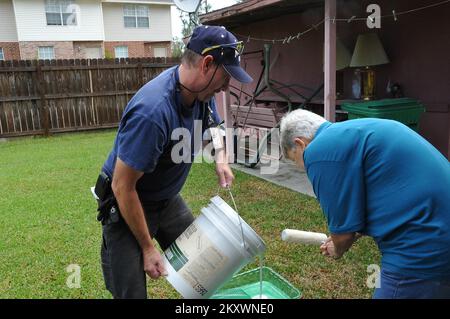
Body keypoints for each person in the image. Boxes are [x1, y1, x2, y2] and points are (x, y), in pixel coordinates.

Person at [95, 25, 253, 299]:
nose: (227, 87)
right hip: (126, 204)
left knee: (204, 269)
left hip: (166, 199)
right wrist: (147, 248)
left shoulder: (201, 92)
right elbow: (123, 186)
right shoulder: (153, 112)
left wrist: (221, 158)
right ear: (206, 64)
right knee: (130, 293)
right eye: (226, 78)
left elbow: (213, 125)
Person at [279, 109, 450, 299]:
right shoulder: (357, 133)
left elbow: (343, 235)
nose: (306, 169)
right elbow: (372, 198)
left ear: (300, 144)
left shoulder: (319, 149)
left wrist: (337, 247)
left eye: (298, 162)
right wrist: (343, 236)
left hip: (423, 243)